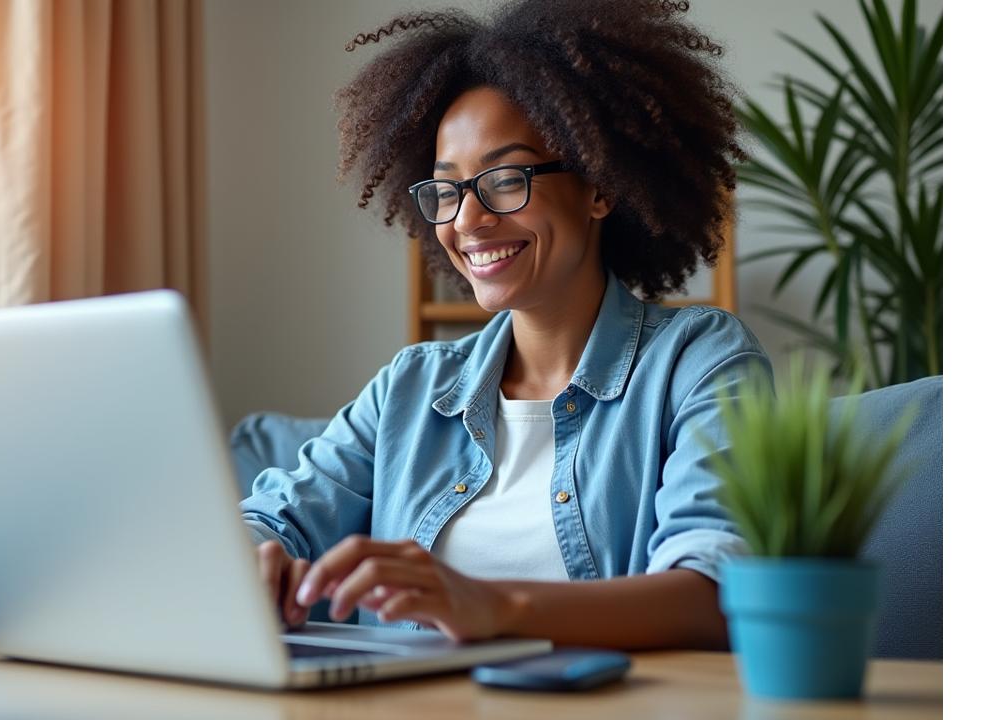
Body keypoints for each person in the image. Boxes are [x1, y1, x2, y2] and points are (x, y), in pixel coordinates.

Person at [240, 0, 771, 650]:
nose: (467, 220)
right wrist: (252, 556)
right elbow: (272, 519)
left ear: (600, 185)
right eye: (447, 189)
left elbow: (717, 595)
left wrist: (490, 604)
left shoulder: (699, 362)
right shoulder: (411, 387)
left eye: (505, 179)